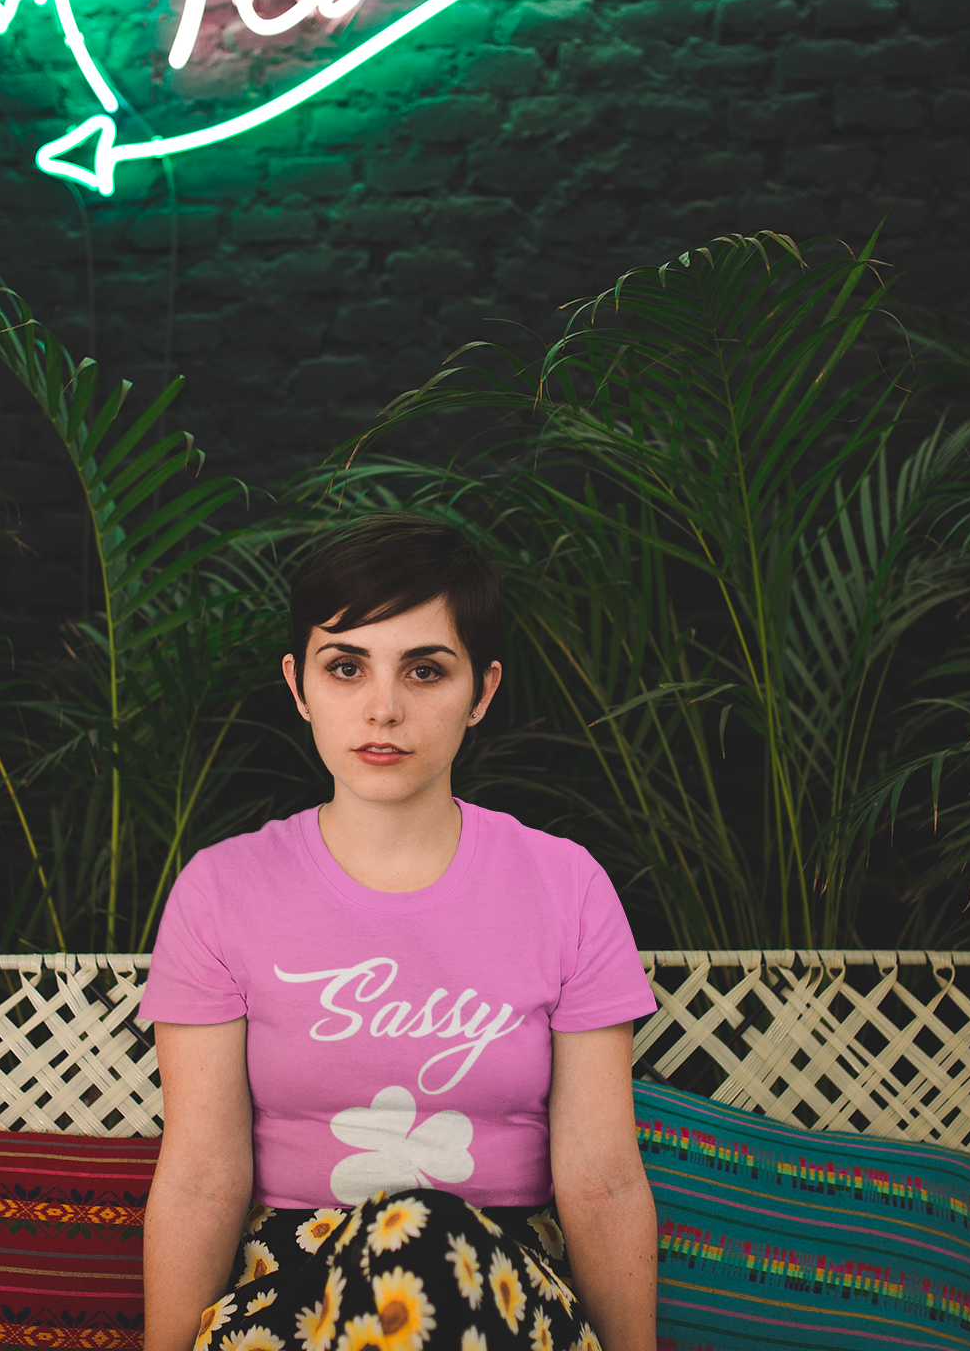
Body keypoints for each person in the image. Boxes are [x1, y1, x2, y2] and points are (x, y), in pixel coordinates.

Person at [140, 514, 658, 1351]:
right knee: (398, 1244)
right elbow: (201, 1177)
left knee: (420, 1233)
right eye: (346, 668)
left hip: (506, 1281)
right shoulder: (222, 891)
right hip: (294, 1286)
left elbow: (601, 1180)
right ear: (299, 686)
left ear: (482, 692)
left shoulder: (567, 889)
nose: (384, 708)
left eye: (425, 671)